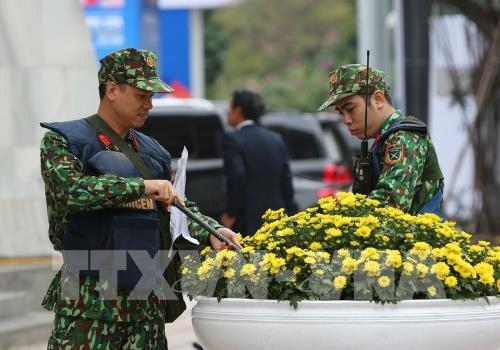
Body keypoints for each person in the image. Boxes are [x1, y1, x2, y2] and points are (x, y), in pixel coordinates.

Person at [39, 47, 239, 349]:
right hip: (89, 303)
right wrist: (142, 187)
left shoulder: (153, 152)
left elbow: (175, 207)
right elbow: (70, 192)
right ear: (111, 91)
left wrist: (211, 229)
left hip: (145, 303)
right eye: (141, 95)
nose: (149, 105)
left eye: (152, 97)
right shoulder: (64, 141)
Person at [317, 64, 446, 218]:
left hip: (418, 241)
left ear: (378, 99)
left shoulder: (403, 137)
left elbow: (390, 202)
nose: (346, 120)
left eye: (351, 109)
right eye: (340, 113)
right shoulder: (385, 139)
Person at [220, 89, 298, 236]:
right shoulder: (276, 139)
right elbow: (286, 180)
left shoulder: (232, 139)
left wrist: (231, 213)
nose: (228, 113)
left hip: (248, 220)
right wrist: (290, 211)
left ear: (238, 110)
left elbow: (236, 178)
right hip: (277, 219)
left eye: (229, 108)